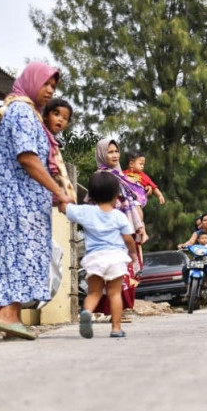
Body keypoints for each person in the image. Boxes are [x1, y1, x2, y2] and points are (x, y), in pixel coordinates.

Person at [0, 62, 74, 340]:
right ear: (32, 81)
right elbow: (28, 158)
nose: (49, 91)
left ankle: (13, 318)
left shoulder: (29, 114)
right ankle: (7, 314)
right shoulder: (21, 112)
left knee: (23, 256)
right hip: (17, 202)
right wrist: (57, 190)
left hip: (25, 202)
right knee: (19, 255)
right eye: (46, 84)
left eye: (53, 87)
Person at [60, 171, 138, 338]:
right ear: (117, 195)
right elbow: (128, 239)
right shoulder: (119, 216)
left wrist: (64, 199)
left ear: (92, 195)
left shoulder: (85, 212)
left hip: (95, 258)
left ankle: (87, 312)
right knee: (114, 293)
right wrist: (132, 254)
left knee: (94, 293)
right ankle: (116, 329)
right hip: (115, 257)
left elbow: (64, 208)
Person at [0, 98, 73, 208]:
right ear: (46, 116)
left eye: (65, 118)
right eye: (56, 114)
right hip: (16, 177)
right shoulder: (35, 130)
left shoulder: (53, 143)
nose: (60, 119)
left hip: (33, 190)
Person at [93, 137, 147, 320]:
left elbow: (133, 203)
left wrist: (140, 227)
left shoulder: (121, 176)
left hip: (129, 230)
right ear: (102, 154)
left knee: (128, 269)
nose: (115, 155)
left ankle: (121, 309)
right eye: (110, 152)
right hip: (112, 232)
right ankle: (113, 310)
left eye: (116, 151)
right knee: (116, 270)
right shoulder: (100, 177)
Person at [178, 213, 207, 299]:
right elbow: (190, 242)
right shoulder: (197, 233)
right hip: (198, 260)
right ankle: (188, 288)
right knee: (185, 269)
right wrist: (183, 245)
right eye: (205, 220)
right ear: (201, 223)